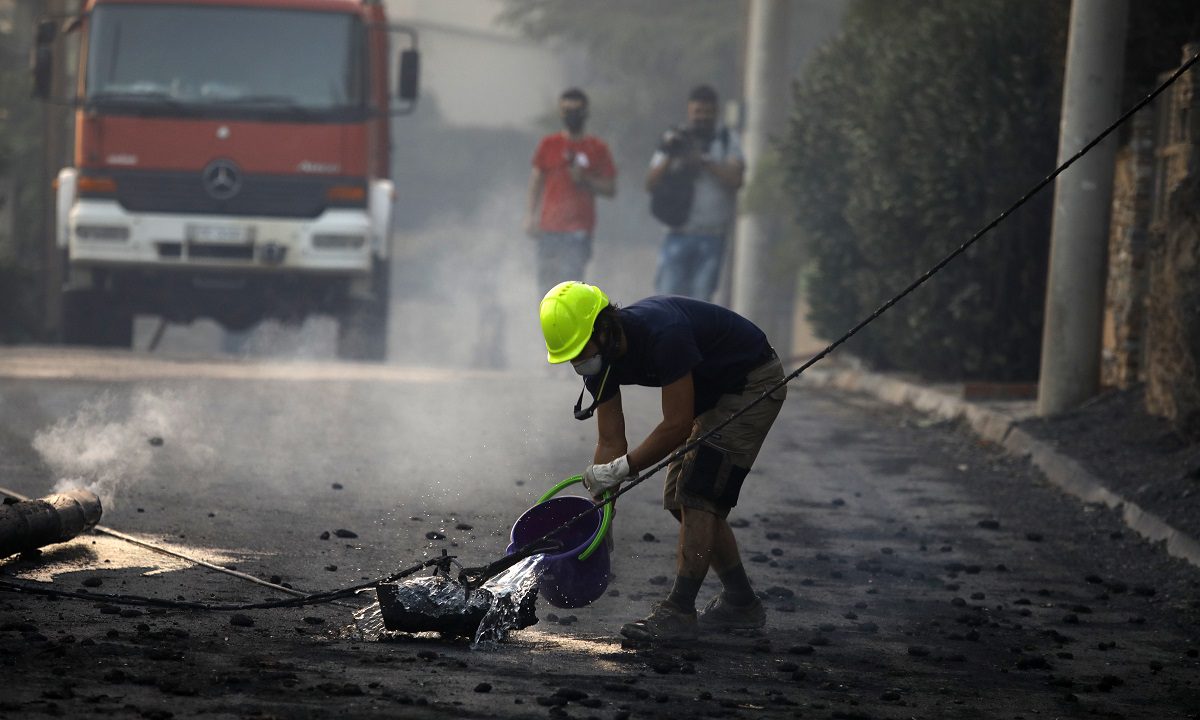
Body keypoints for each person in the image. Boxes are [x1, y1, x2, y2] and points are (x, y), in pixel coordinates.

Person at [539, 280, 786, 641]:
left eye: (580, 350)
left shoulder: (664, 333)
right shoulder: (599, 363)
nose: (579, 361)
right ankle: (740, 603)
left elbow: (677, 424)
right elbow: (610, 439)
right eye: (570, 357)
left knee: (697, 494)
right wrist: (603, 511)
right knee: (678, 502)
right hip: (710, 394)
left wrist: (624, 467)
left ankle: (679, 611)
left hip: (750, 383)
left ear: (604, 327)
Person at [645, 84, 745, 301]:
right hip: (677, 232)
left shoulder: (726, 139)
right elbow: (651, 182)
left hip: (712, 235)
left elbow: (736, 179)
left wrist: (704, 161)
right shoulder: (675, 137)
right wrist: (672, 154)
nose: (702, 118)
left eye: (707, 113)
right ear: (689, 111)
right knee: (666, 300)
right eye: (698, 112)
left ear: (716, 112)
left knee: (700, 302)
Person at [525, 88, 617, 295]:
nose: (571, 115)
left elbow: (610, 188)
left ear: (585, 112)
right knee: (546, 287)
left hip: (579, 230)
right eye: (566, 110)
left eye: (576, 110)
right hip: (549, 228)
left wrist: (585, 179)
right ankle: (548, 326)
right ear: (560, 113)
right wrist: (531, 216)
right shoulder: (549, 144)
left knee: (569, 287)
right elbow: (535, 182)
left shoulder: (597, 148)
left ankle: (568, 326)